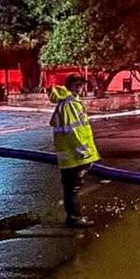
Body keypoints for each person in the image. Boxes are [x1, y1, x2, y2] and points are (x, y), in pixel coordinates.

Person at [49, 75, 100, 227]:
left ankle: (73, 217)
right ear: (69, 86)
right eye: (76, 85)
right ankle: (75, 218)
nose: (79, 88)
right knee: (73, 187)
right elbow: (74, 131)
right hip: (75, 155)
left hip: (69, 154)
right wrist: (84, 152)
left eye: (81, 84)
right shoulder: (70, 104)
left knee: (71, 186)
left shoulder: (68, 102)